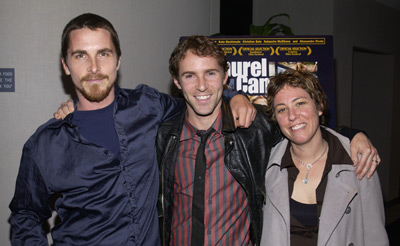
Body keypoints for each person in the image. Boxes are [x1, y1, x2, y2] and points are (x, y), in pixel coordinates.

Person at [8, 13, 255, 246]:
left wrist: (235, 96)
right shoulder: (46, 143)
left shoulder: (148, 106)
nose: (94, 67)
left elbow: (197, 96)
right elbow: (25, 215)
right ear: (65, 65)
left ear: (118, 60)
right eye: (81, 56)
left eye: (103, 54)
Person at [156, 36, 381, 246]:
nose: (201, 85)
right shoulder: (164, 136)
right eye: (189, 76)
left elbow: (303, 129)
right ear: (177, 81)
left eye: (210, 73)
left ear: (225, 77)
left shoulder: (254, 129)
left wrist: (354, 135)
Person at [260, 69, 389, 245]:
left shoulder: (359, 161)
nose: (292, 116)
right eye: (282, 109)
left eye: (300, 104)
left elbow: (375, 237)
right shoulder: (266, 163)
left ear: (319, 106)